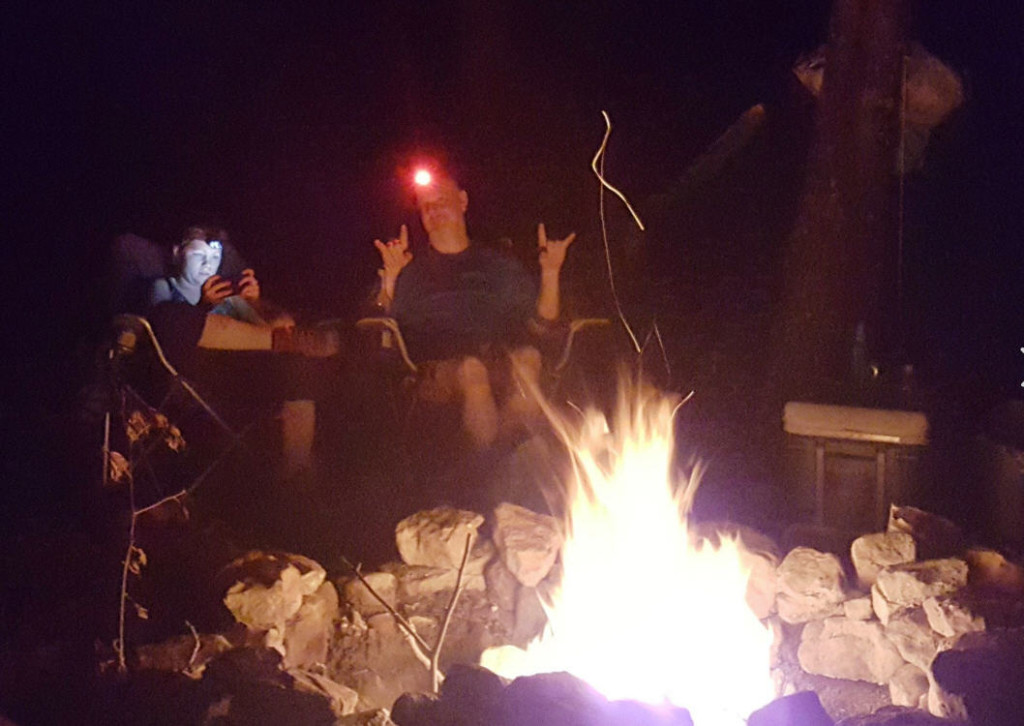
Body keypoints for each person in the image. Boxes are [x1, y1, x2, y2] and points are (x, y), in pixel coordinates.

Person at [372, 172, 575, 449]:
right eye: (425, 206)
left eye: (441, 201)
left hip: (494, 356)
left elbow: (542, 325)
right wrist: (391, 279)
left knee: (528, 358)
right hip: (435, 368)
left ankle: (507, 459)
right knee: (472, 370)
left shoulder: (498, 264)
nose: (432, 210)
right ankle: (487, 464)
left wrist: (551, 272)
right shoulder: (411, 269)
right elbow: (383, 328)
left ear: (463, 201)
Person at [147, 225, 337, 480]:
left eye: (214, 258)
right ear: (177, 253)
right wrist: (203, 306)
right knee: (180, 316)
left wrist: (254, 303)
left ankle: (297, 476)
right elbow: (162, 332)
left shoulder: (228, 297)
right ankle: (288, 342)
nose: (207, 263)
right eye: (198, 255)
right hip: (192, 374)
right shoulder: (165, 287)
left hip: (235, 369)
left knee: (296, 365)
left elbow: (281, 323)